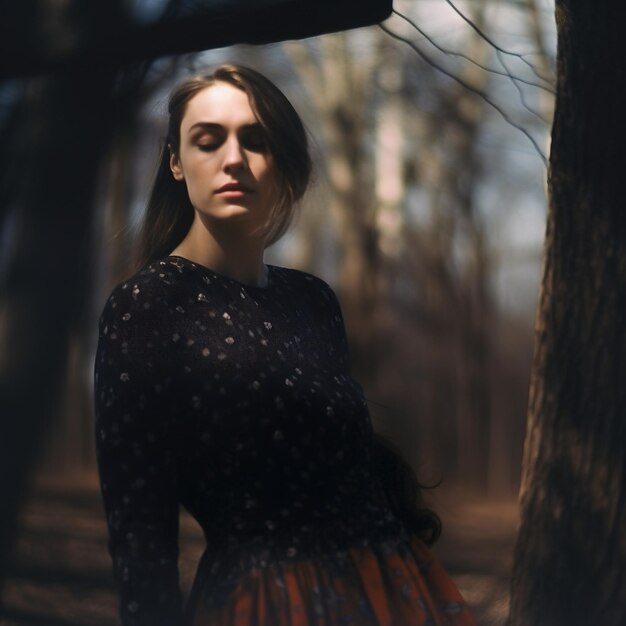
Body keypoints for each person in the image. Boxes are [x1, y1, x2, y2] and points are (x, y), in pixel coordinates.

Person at [94, 64, 475, 626]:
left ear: (283, 162)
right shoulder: (147, 307)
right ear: (175, 161)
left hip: (392, 587)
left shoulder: (313, 300)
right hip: (267, 603)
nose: (233, 159)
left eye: (256, 140)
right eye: (208, 140)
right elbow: (140, 536)